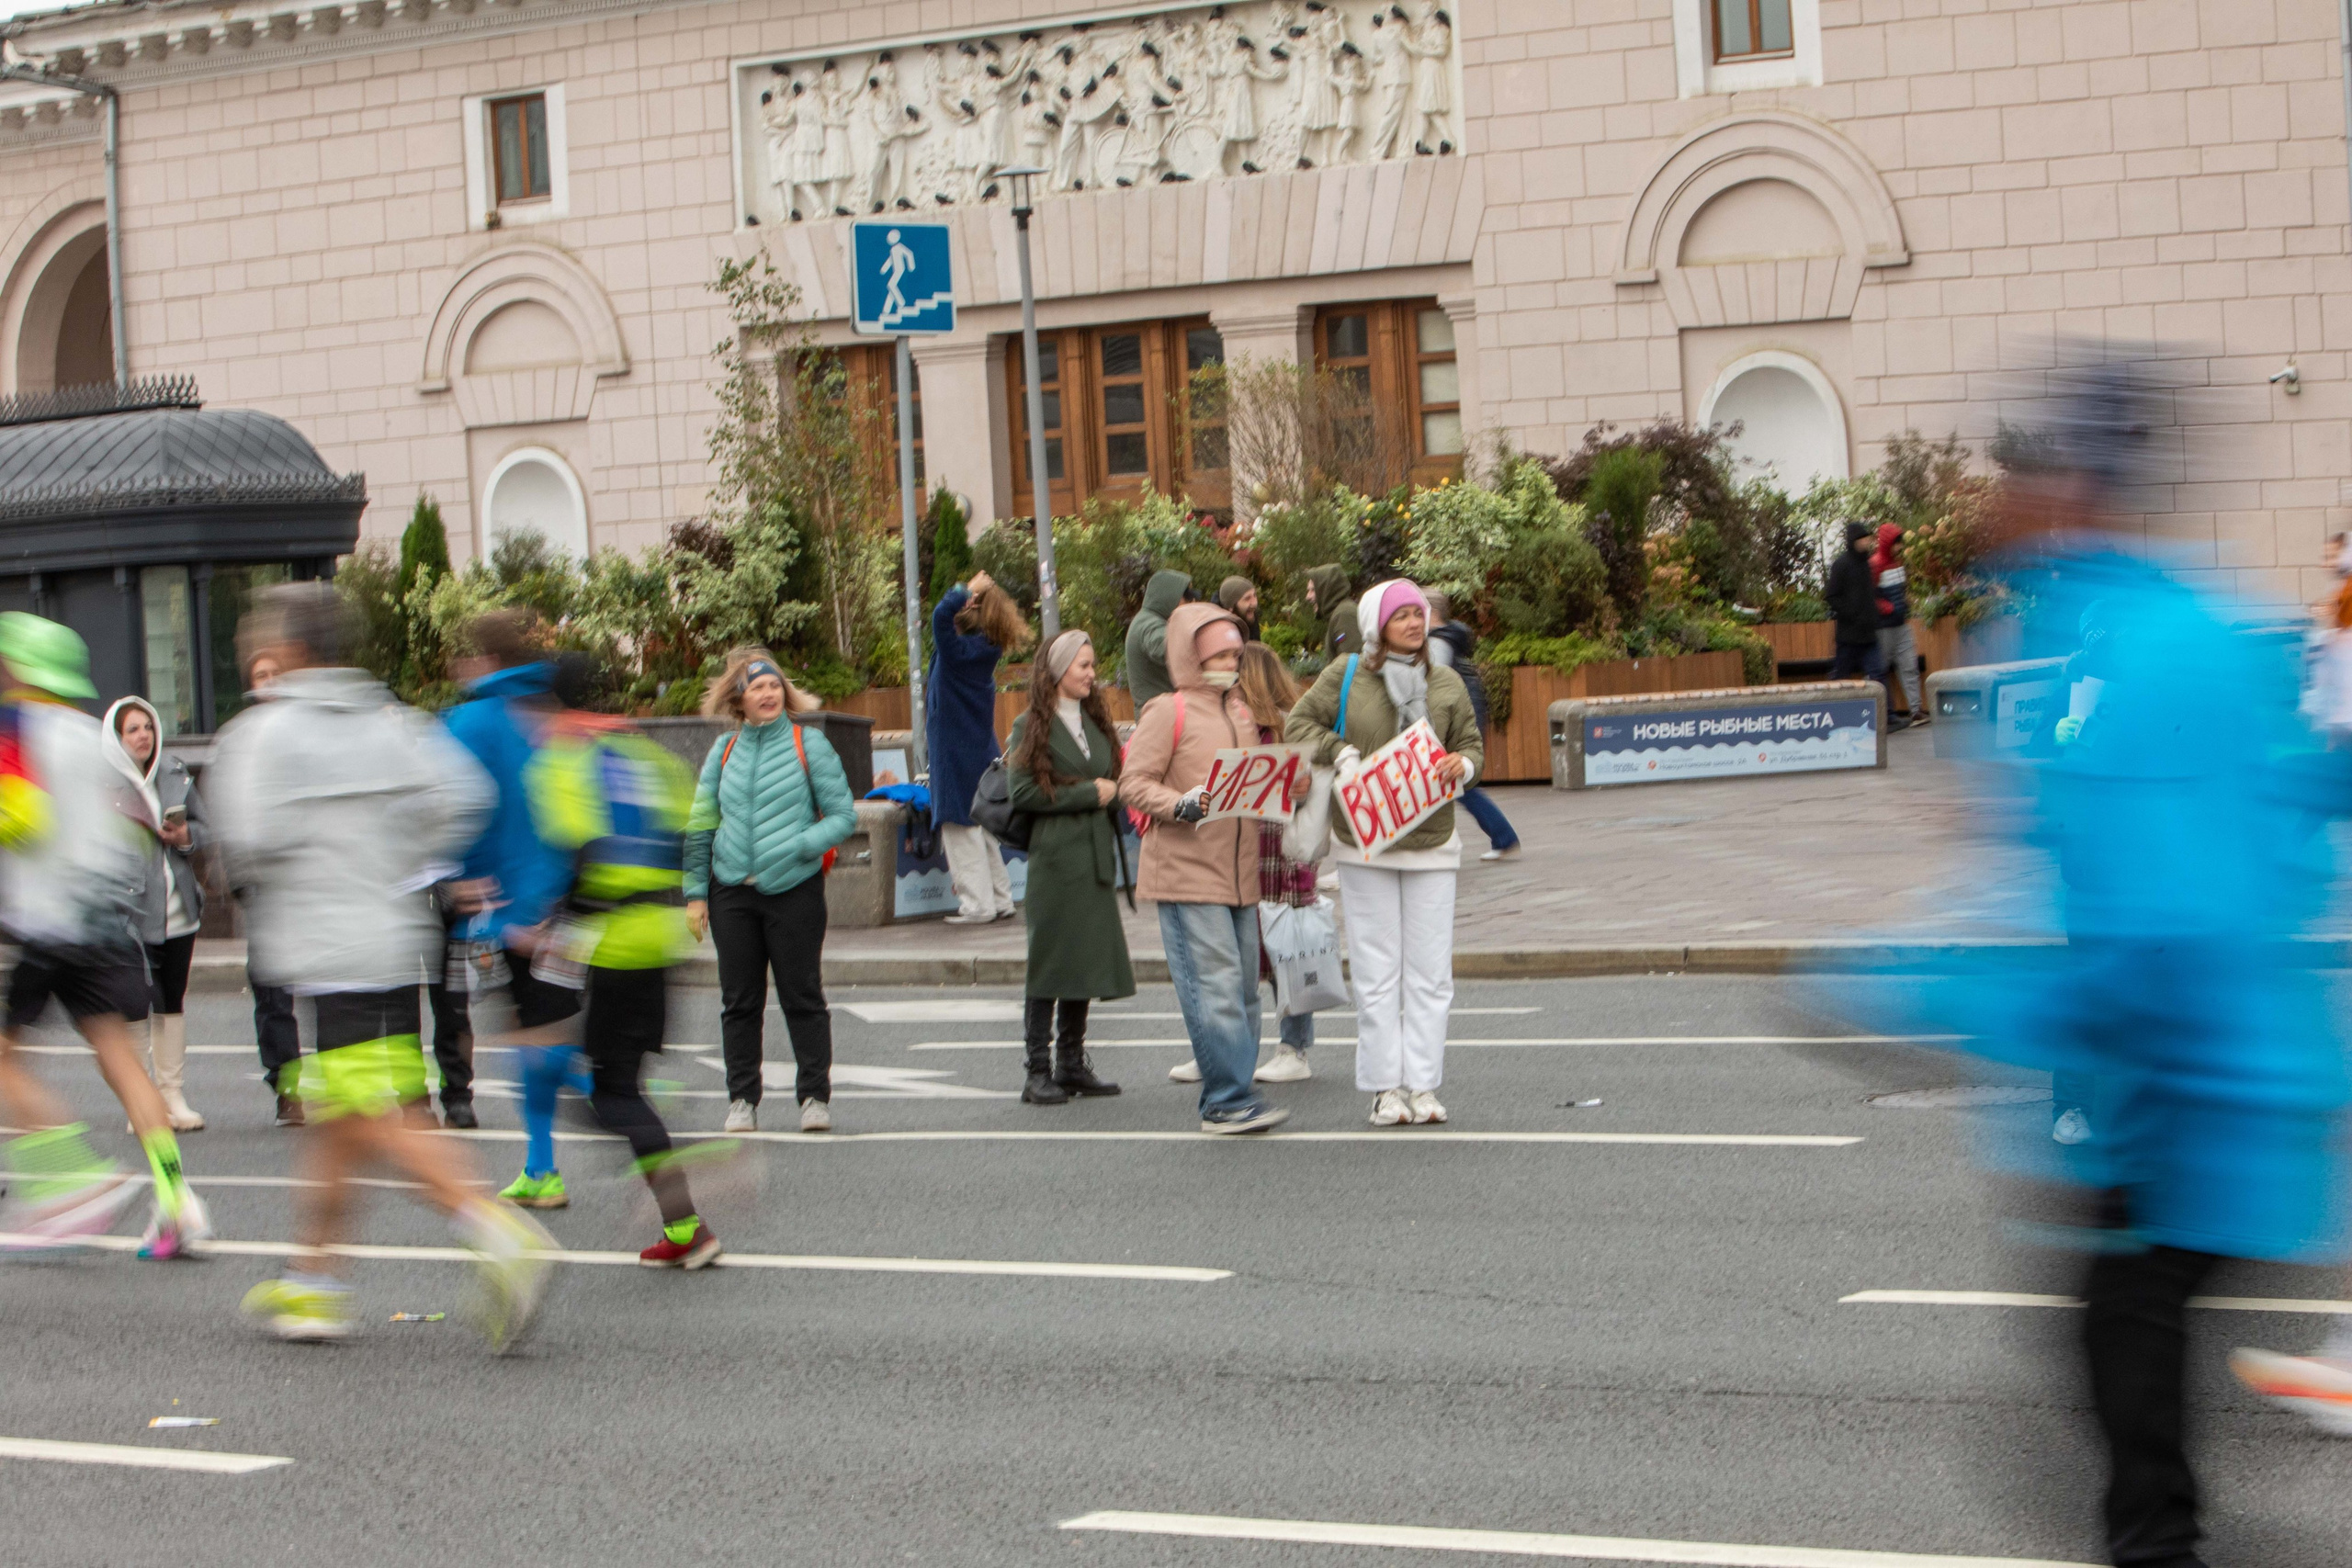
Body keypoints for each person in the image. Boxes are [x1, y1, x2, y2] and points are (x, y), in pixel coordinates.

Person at [213, 582, 554, 1348]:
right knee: (342, 1117)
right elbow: (463, 797)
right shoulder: (395, 721)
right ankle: (314, 1279)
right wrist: (402, 854)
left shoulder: (267, 734)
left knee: (380, 1118)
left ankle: (499, 1232)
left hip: (327, 950)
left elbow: (251, 838)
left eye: (261, 632)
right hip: (394, 940)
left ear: (294, 648)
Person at [0, 614, 209, 1259]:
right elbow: (132, 827)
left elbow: (17, 819)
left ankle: (75, 1178)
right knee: (121, 1058)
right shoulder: (94, 738)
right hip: (105, 921)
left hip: (44, 920)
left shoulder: (15, 727)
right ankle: (177, 1200)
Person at [526, 653, 722, 1266]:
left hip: (610, 942)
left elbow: (576, 850)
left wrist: (555, 922)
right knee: (617, 1082)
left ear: (551, 703)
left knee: (606, 1095)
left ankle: (689, 1199)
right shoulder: (642, 752)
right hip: (659, 935)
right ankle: (686, 1229)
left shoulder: (561, 759)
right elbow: (698, 822)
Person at [1286, 579, 1482, 1127]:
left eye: (1419, 615)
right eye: (1402, 617)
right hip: (1365, 844)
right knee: (1377, 972)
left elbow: (1471, 744)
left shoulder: (1444, 682)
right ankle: (1382, 1088)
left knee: (1430, 973)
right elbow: (1299, 722)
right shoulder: (1346, 675)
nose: (1416, 624)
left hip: (1432, 843)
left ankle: (1423, 1085)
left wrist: (1461, 767)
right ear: (1378, 625)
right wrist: (1341, 749)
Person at [1119, 603, 1289, 1134]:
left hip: (1238, 876)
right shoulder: (1166, 711)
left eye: (1236, 653)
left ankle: (1236, 1091)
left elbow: (1247, 788)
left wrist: (1286, 786)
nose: (1231, 663)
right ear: (1190, 656)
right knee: (1215, 987)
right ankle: (1226, 1098)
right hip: (1188, 872)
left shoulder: (1238, 711)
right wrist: (1180, 805)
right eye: (1219, 654)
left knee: (1241, 990)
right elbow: (1133, 783)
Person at [441, 610, 588, 1201]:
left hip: (497, 908)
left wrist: (459, 879)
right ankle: (542, 1162)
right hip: (560, 899)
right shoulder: (549, 714)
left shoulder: (467, 722)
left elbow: (445, 807)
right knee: (541, 1027)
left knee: (524, 1034)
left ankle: (607, 1103)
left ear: (480, 660)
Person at [685, 648, 857, 1135]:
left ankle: (814, 1098)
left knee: (802, 995)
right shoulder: (723, 752)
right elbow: (700, 824)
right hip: (731, 892)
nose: (768, 693)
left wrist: (802, 845)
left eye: (774, 685)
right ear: (739, 699)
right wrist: (696, 893)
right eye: (757, 686)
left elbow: (843, 816)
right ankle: (742, 1099)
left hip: (794, 890)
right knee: (739, 1002)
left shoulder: (811, 745)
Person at [1003, 629, 1131, 1106]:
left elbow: (1112, 780)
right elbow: (1023, 792)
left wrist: (1115, 791)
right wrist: (1089, 793)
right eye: (1084, 666)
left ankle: (1072, 1064)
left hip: (1094, 857)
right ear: (1058, 671)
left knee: (1081, 961)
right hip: (1056, 860)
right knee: (1050, 964)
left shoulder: (1096, 723)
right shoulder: (1029, 725)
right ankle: (1037, 1071)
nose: (1092, 674)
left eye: (1093, 665)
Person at [102, 694, 209, 1132]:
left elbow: (204, 826)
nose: (143, 735)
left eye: (148, 726)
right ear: (117, 738)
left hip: (179, 910)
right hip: (130, 914)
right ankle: (141, 1103)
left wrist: (185, 835)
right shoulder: (103, 785)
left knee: (172, 1002)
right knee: (134, 1007)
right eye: (133, 729)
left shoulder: (174, 771)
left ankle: (172, 1095)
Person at [928, 570, 1028, 925]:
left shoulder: (959, 653)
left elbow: (940, 616)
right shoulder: (984, 650)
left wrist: (963, 590)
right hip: (978, 751)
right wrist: (970, 594)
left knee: (960, 828)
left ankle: (977, 906)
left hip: (954, 754)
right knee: (983, 830)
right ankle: (1001, 900)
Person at [1240, 640, 1320, 1083]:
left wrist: (1303, 787)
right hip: (1251, 854)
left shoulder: (1288, 727)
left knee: (1287, 954)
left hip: (1281, 855)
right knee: (1244, 958)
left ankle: (1295, 1047)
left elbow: (1314, 785)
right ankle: (1231, 1047)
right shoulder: (1238, 728)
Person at [238, 650, 303, 1127]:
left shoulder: (311, 735)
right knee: (273, 995)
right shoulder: (244, 743)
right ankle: (287, 1087)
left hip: (313, 880)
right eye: (261, 676)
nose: (269, 682)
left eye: (275, 674)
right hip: (266, 887)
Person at [1425, 590, 1520, 863]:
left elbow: (1432, 686)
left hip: (1458, 718)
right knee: (1456, 781)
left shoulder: (1438, 643)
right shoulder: (1449, 638)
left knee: (1455, 780)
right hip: (1466, 712)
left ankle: (1502, 836)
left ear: (1430, 613)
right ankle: (1502, 836)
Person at [1871, 523, 1921, 729]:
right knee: (1878, 671)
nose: (1899, 547)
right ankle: (1877, 714)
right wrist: (1887, 608)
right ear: (1887, 543)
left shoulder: (1898, 563)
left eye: (1900, 543)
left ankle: (1916, 711)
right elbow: (1870, 596)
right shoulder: (1874, 565)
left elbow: (1901, 590)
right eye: (1896, 543)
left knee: (1910, 666)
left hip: (1901, 625)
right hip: (1883, 628)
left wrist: (1905, 604)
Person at [1122, 568, 1193, 709]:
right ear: (1170, 597)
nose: (1191, 602)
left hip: (1162, 712)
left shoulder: (1149, 620)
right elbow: (1168, 650)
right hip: (1158, 716)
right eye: (1187, 596)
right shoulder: (1150, 625)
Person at [1825, 521, 1885, 682]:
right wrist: (1852, 614)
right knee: (1842, 677)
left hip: (1869, 634)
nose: (1867, 542)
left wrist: (1873, 615)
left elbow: (1869, 593)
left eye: (1867, 538)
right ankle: (1835, 705)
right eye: (1863, 539)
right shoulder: (1841, 565)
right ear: (1854, 541)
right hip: (1848, 636)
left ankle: (1886, 708)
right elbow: (1831, 596)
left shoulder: (1867, 564)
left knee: (1877, 674)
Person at [1305, 563, 1357, 660]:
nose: (1308, 597)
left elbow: (1352, 665)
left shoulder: (1344, 615)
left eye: (1312, 590)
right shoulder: (1338, 614)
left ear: (1326, 590)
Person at [1216, 576, 1261, 642]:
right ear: (1230, 607)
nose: (1255, 603)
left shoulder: (1250, 618)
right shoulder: (1218, 633)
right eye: (1247, 598)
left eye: (1254, 595)